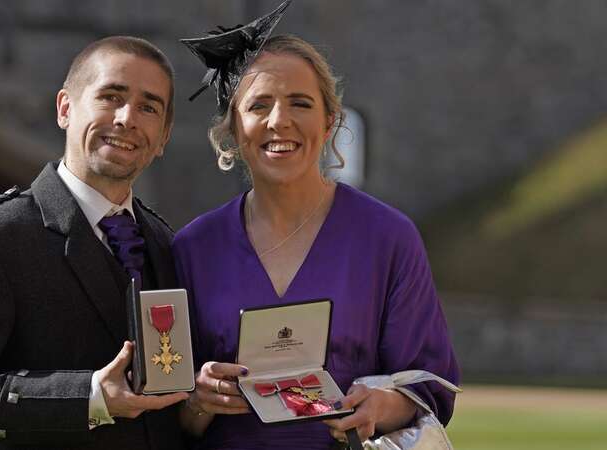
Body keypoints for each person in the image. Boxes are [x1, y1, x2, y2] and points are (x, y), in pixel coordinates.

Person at [173, 3, 460, 449]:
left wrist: (382, 405)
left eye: (300, 103)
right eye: (259, 105)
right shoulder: (192, 248)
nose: (278, 121)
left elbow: (430, 387)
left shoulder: (388, 238)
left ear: (330, 121)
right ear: (233, 129)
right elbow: (166, 416)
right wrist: (198, 398)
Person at [0, 36, 190, 450]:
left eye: (149, 107)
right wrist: (90, 398)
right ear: (65, 109)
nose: (128, 118)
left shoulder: (166, 242)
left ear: (163, 137)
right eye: (111, 96)